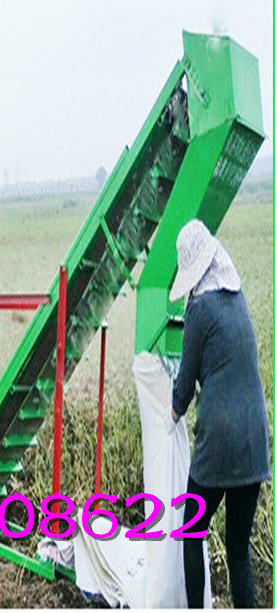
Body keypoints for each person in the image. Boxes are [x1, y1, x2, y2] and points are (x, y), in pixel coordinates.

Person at [169, 219, 270, 608]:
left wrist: (172, 412)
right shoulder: (237, 299)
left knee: (191, 533)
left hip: (220, 442)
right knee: (238, 548)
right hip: (255, 441)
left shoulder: (200, 309)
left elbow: (185, 382)